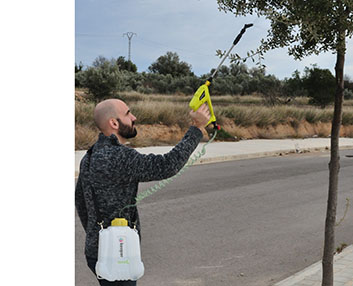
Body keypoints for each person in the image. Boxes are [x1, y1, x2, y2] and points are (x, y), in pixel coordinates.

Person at [75, 99, 210, 286]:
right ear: (114, 123)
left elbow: (81, 202)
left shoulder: (89, 155)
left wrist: (95, 234)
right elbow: (167, 165)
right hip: (117, 253)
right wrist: (196, 127)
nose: (134, 117)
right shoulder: (119, 156)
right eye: (128, 113)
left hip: (95, 251)